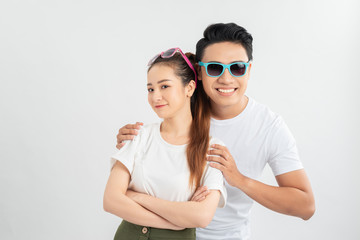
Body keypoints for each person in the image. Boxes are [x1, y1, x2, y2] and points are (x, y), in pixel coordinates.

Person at [116, 23, 315, 240]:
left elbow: (305, 206)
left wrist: (238, 179)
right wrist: (132, 143)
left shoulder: (269, 127)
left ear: (249, 70)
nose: (226, 79)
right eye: (214, 68)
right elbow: (152, 156)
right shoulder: (184, 105)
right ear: (199, 73)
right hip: (167, 233)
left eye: (237, 67)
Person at [103, 47, 227, 240]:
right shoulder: (138, 136)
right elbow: (111, 200)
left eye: (164, 86)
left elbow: (202, 216)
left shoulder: (211, 149)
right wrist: (175, 222)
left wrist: (136, 197)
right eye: (150, 89)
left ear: (190, 88)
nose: (155, 96)